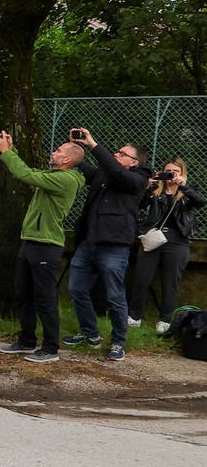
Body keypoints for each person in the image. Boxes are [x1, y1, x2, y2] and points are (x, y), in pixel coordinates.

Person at [0, 131, 85, 363]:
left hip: (47, 245)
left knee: (44, 297)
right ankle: (26, 341)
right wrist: (12, 150)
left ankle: (50, 348)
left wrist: (6, 152)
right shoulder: (54, 175)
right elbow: (32, 173)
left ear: (66, 160)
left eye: (59, 151)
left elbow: (25, 174)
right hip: (31, 242)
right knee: (24, 294)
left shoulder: (65, 180)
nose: (54, 152)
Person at [63, 129, 149, 361]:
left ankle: (118, 342)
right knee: (77, 289)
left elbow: (115, 172)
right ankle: (90, 335)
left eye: (121, 153)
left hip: (114, 246)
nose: (115, 154)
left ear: (134, 162)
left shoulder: (138, 180)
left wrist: (93, 144)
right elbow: (85, 168)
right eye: (116, 152)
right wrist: (74, 150)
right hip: (88, 243)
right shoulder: (105, 174)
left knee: (114, 296)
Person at [128, 157, 204, 333]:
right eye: (168, 171)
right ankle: (134, 317)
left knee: (170, 282)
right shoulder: (156, 191)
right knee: (141, 278)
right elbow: (138, 205)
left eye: (175, 171)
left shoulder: (187, 193)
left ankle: (165, 320)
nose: (171, 175)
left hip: (178, 243)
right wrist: (148, 186)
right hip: (153, 240)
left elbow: (201, 202)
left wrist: (183, 185)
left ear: (182, 174)